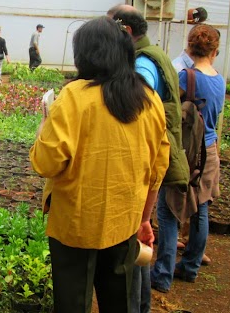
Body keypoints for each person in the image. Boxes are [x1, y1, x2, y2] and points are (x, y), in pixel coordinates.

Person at [29, 16, 170, 313]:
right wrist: (144, 219)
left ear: (85, 55)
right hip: (125, 221)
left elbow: (46, 163)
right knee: (119, 299)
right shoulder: (149, 98)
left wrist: (44, 124)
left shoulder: (74, 97)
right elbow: (158, 169)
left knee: (72, 302)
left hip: (75, 224)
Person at [111, 5, 190, 307]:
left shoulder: (142, 65)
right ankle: (145, 296)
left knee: (137, 233)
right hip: (157, 154)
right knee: (144, 231)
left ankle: (142, 298)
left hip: (147, 159)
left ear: (126, 32)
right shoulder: (156, 54)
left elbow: (136, 115)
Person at [173, 24, 225, 284]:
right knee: (201, 207)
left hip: (189, 151)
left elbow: (171, 114)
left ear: (190, 48)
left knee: (170, 206)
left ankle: (168, 267)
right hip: (210, 149)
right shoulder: (219, 79)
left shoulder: (186, 77)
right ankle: (191, 265)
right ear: (214, 51)